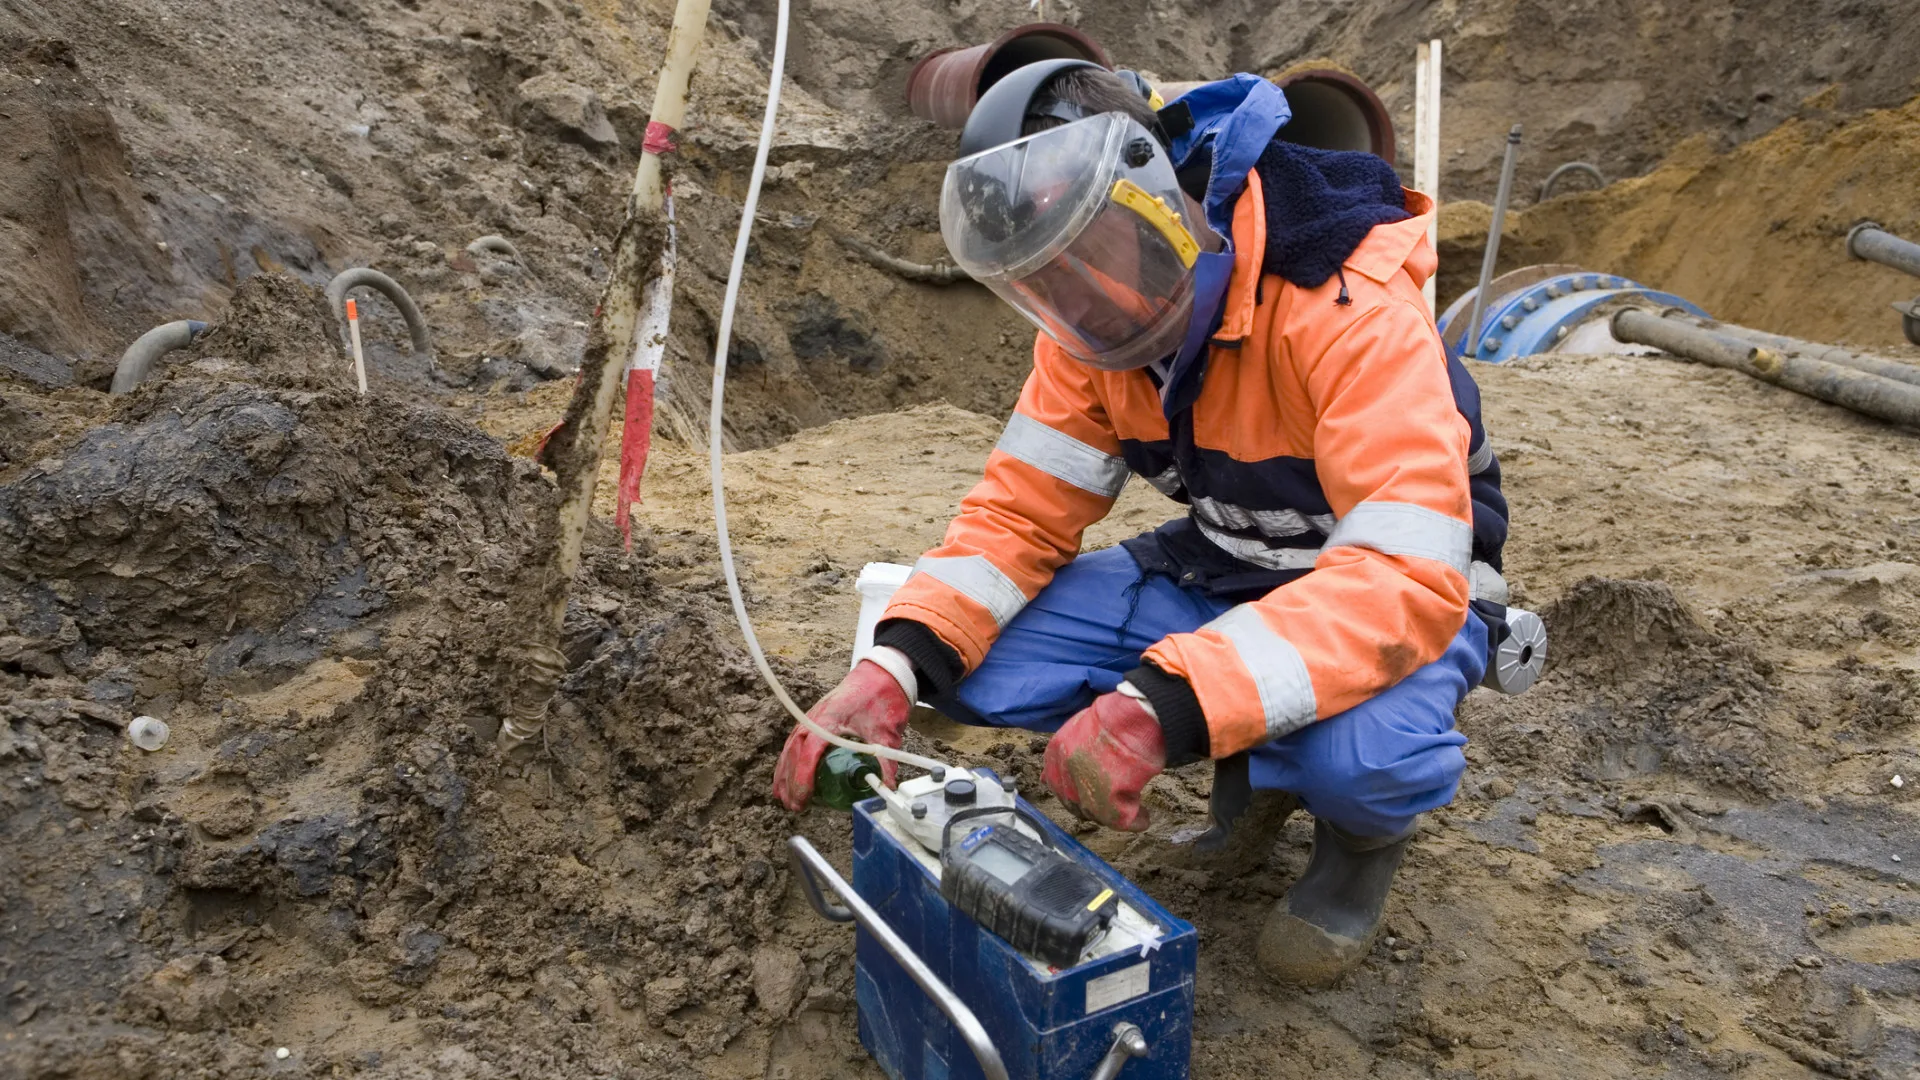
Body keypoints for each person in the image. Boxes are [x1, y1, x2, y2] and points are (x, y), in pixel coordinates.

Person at [771, 60, 1509, 986]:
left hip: (1399, 596)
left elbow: (1405, 576)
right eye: (1045, 283)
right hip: (1228, 561)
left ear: (1158, 196)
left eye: (1089, 256)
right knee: (966, 672)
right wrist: (893, 665)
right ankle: (1254, 769)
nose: (1076, 304)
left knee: (1360, 762)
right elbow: (1017, 514)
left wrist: (1166, 705)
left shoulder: (1345, 302)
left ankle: (1354, 853)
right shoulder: (1086, 334)